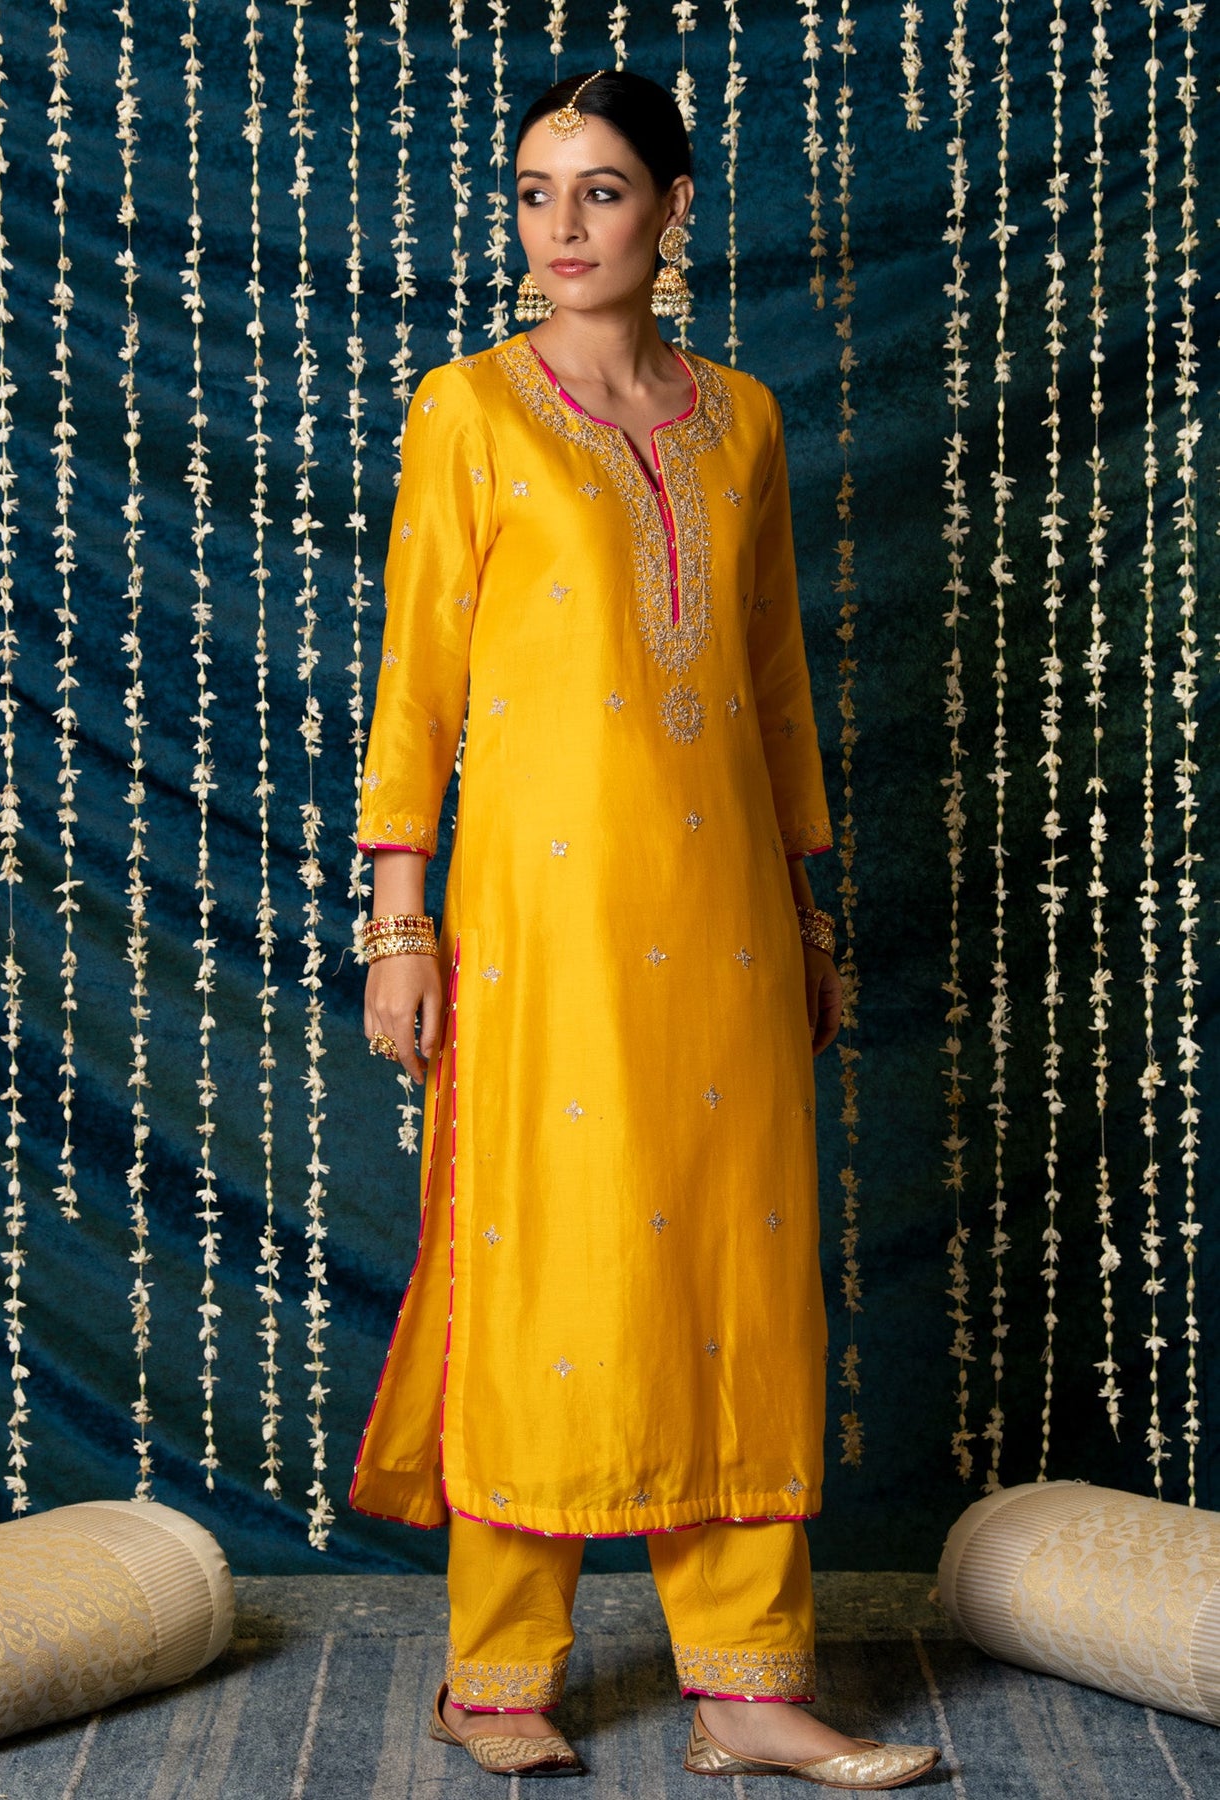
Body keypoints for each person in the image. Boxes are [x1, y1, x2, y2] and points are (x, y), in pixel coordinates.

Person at [353, 67, 940, 1789]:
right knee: (547, 1254)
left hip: (730, 913)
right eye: (535, 192)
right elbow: (417, 682)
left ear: (672, 209)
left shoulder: (738, 419)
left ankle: (744, 1686)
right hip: (541, 919)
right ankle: (496, 1674)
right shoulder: (470, 409)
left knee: (735, 1266)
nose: (561, 228)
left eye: (600, 191)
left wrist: (807, 912)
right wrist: (399, 922)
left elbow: (769, 681)